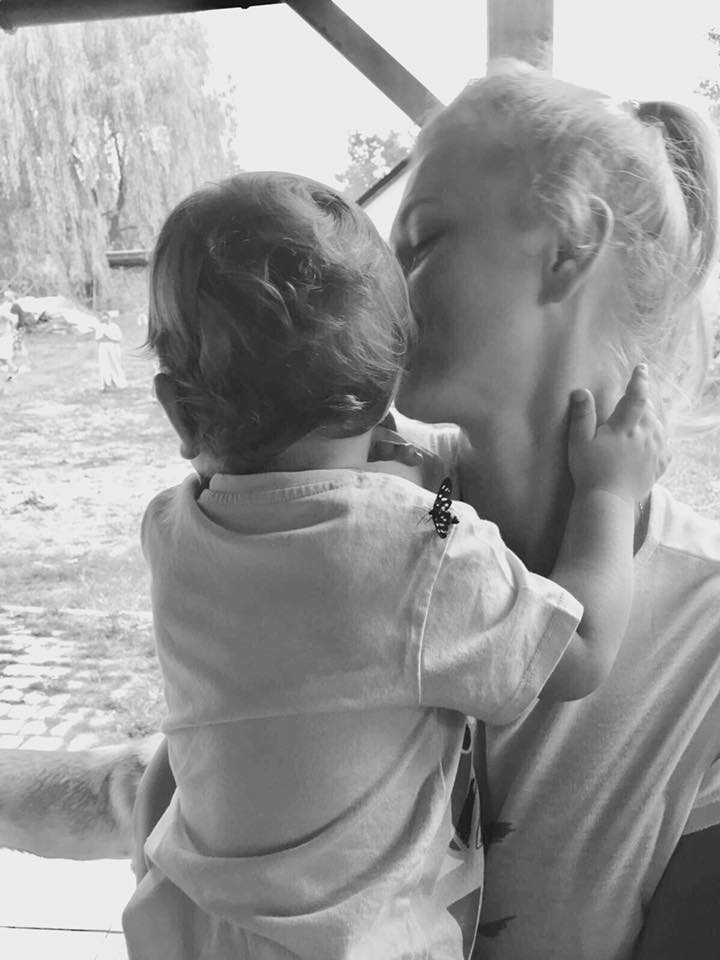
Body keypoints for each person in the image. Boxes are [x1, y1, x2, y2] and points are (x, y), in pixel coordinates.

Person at [122, 171, 663, 960]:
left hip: (192, 927)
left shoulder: (172, 529)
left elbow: (309, 526)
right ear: (388, 389)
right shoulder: (423, 547)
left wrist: (420, 488)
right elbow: (579, 655)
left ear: (177, 409)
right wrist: (609, 494)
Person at [386, 60, 720, 959]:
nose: (380, 291)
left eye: (420, 242)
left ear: (570, 246)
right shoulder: (379, 527)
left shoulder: (707, 643)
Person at [96, 310, 127, 391]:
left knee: (115, 364)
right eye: (103, 319)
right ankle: (106, 384)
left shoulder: (115, 327)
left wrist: (110, 337)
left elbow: (119, 338)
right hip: (103, 347)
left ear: (110, 318)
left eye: (107, 318)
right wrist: (102, 337)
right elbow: (97, 338)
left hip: (113, 346)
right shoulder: (100, 327)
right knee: (104, 365)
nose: (105, 320)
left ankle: (119, 382)